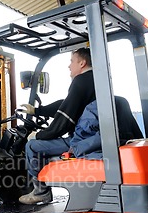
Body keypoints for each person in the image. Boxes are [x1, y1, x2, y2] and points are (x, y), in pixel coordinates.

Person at [19, 48, 95, 205]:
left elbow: (64, 121)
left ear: (82, 63)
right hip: (91, 138)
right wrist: (37, 110)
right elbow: (66, 105)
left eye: (71, 61)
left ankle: (41, 192)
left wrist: (40, 135)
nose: (69, 66)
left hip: (80, 141)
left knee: (32, 147)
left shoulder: (81, 81)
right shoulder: (94, 80)